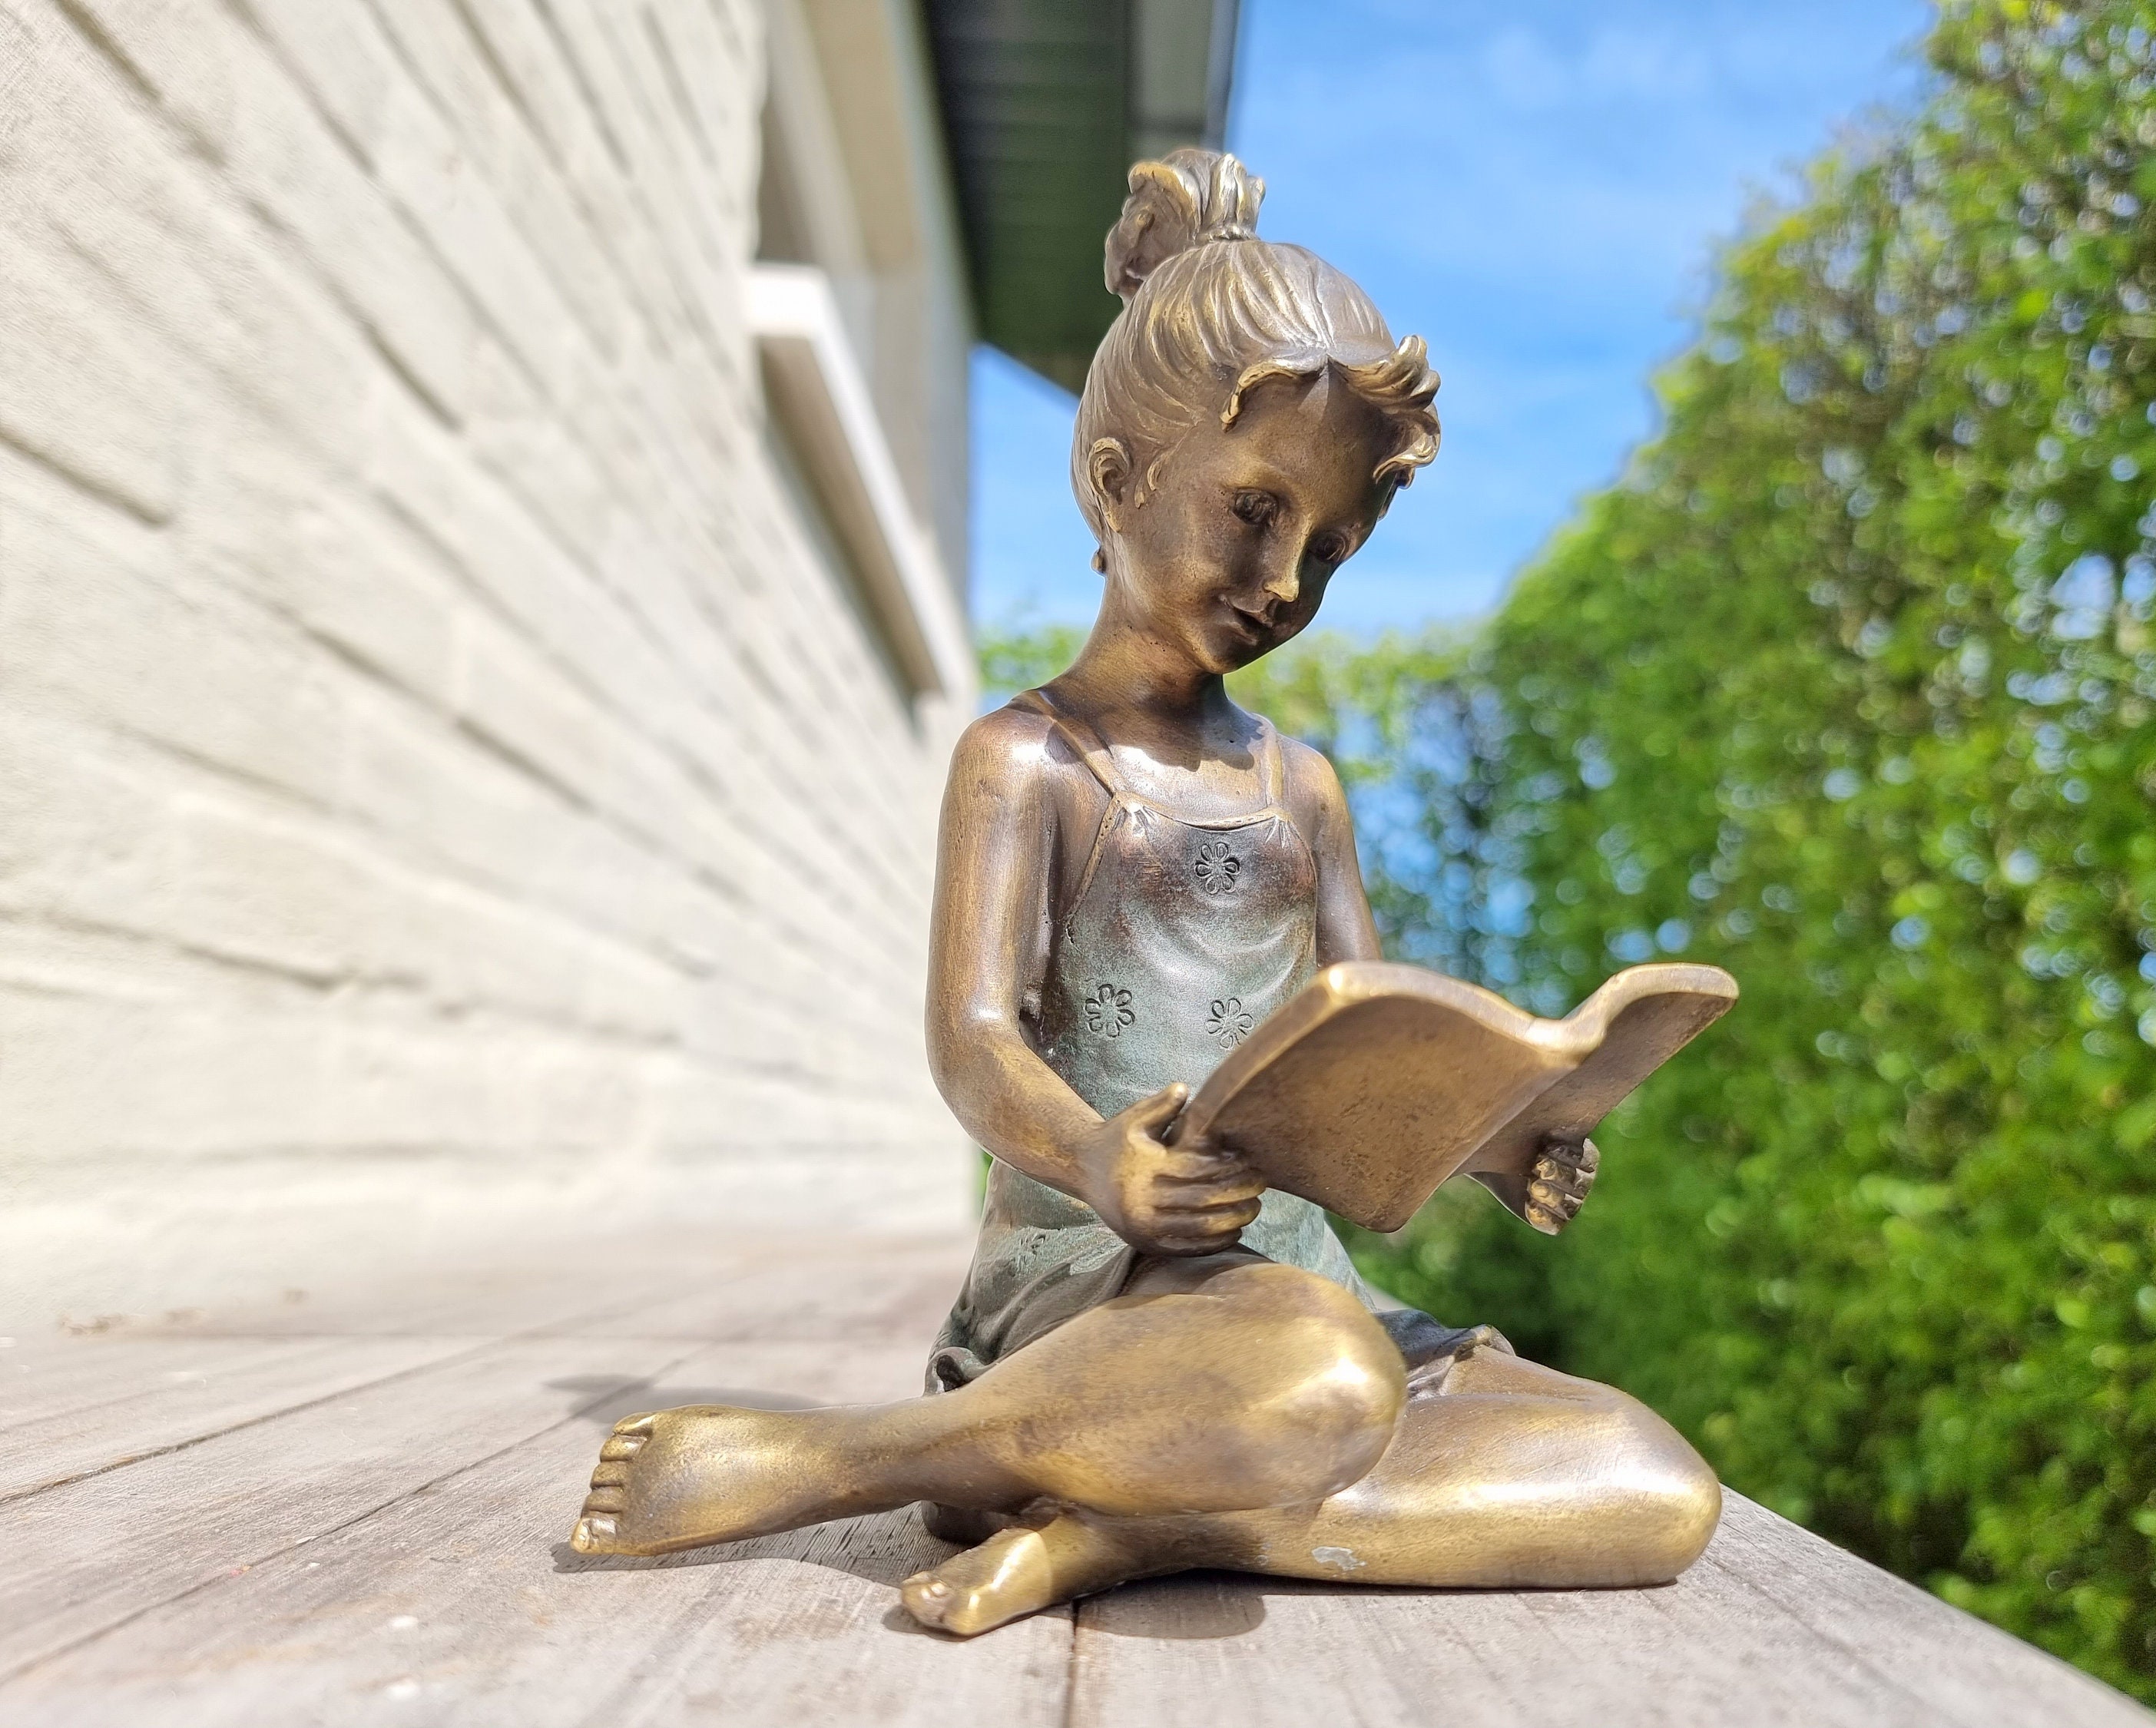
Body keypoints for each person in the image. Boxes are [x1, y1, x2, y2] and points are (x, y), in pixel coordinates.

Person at [569, 150, 1719, 1635]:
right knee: (1319, 1384)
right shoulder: (1028, 761)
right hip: (1099, 1297)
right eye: (1255, 511)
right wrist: (1099, 1162)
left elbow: (1365, 1060)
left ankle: (1111, 1522)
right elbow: (973, 1041)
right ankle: (862, 1454)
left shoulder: (1303, 789)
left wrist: (1492, 1137)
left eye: (1330, 548)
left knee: (1644, 1478)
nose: (1285, 579)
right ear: (1117, 483)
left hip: (1307, 1305)